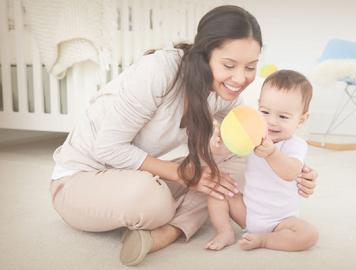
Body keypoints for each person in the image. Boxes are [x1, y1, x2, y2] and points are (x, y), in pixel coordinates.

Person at [49, 5, 318, 266]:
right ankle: (168, 220)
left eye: (250, 67)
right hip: (81, 180)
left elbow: (256, 142)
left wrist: (299, 172)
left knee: (234, 167)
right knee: (154, 200)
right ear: (204, 56)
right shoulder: (159, 70)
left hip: (137, 174)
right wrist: (185, 174)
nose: (240, 78)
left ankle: (163, 234)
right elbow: (107, 149)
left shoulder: (224, 94)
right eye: (229, 65)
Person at [206, 70, 318, 252]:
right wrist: (216, 145)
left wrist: (272, 153)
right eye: (265, 112)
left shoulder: (296, 145)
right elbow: (226, 151)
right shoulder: (253, 135)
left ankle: (265, 240)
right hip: (247, 212)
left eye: (283, 116)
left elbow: (290, 173)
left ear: (301, 120)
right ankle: (224, 231)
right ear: (258, 107)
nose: (271, 122)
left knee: (308, 234)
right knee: (217, 190)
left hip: (281, 221)